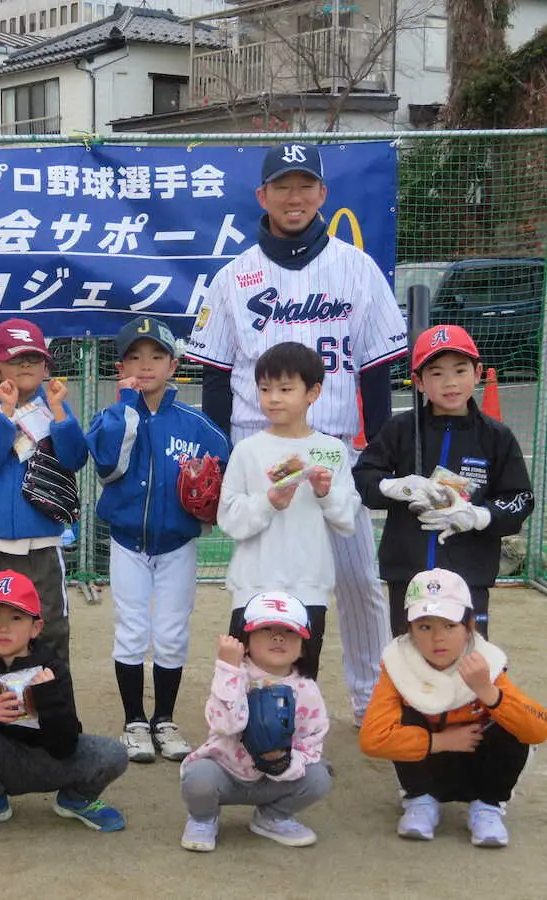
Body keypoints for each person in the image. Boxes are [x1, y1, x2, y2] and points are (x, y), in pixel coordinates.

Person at [185, 142, 408, 725]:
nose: (294, 196)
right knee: (265, 583)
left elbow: (378, 366)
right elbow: (213, 372)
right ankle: (261, 699)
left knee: (359, 581)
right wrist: (222, 454)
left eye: (305, 185)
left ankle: (370, 698)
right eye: (282, 185)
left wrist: (377, 453)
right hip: (258, 452)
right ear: (262, 196)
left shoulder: (356, 268)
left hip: (335, 449)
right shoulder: (235, 276)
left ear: (322, 195)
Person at [85, 316, 229, 763]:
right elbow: (110, 466)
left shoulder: (197, 425)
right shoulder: (110, 417)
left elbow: (224, 472)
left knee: (170, 634)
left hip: (177, 544)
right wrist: (127, 407)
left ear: (173, 365)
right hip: (128, 542)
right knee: (131, 632)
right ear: (120, 365)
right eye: (134, 356)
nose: (145, 365)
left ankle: (163, 719)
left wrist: (211, 505)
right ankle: (134, 721)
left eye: (156, 356)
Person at [353, 325, 534, 638]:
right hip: (409, 575)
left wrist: (477, 516)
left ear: (477, 373)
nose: (450, 382)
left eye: (460, 370)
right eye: (436, 373)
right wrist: (397, 486)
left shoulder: (496, 437)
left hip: (469, 576)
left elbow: (520, 498)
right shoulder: (401, 429)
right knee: (410, 664)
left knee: (467, 663)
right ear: (419, 381)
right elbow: (363, 478)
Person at [358, 568, 547, 847]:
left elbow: (539, 729)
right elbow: (372, 739)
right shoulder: (398, 665)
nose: (438, 639)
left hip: (478, 763)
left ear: (469, 627)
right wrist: (440, 741)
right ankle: (420, 800)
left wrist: (487, 691)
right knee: (406, 714)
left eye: (449, 625)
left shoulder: (486, 663)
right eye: (425, 627)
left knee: (510, 722)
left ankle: (488, 806)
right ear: (408, 630)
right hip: (429, 765)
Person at [0, 569, 128, 835]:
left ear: (35, 627)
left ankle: (77, 798)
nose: (3, 628)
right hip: (1, 758)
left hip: (52, 759)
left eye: (16, 618)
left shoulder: (51, 664)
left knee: (114, 753)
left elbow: (66, 744)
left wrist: (48, 698)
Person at [217, 342, 360, 679]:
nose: (274, 398)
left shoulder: (331, 450)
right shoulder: (247, 450)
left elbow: (347, 519)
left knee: (302, 679)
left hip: (308, 586)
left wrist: (325, 494)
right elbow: (229, 518)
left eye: (285, 389)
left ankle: (303, 733)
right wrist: (269, 502)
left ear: (313, 392)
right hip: (253, 585)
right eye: (265, 389)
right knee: (244, 678)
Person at [0, 318, 88, 662]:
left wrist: (61, 414)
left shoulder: (57, 405)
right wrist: (5, 412)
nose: (27, 366)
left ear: (46, 365)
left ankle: (50, 706)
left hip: (43, 545)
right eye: (16, 359)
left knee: (50, 627)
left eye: (34, 359)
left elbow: (75, 458)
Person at [179, 591, 332, 852]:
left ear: (303, 646)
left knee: (319, 777)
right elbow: (225, 724)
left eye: (289, 632)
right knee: (198, 776)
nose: (278, 637)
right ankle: (203, 819)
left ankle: (272, 817)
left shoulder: (307, 690)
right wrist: (228, 668)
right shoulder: (234, 675)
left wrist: (281, 762)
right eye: (265, 630)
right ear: (245, 642)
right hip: (226, 773)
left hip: (276, 780)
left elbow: (311, 743)